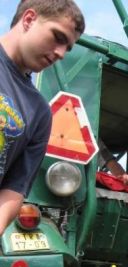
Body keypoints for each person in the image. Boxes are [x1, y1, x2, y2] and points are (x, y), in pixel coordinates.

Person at [0, 0, 85, 236]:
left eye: (67, 48)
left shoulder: (39, 112)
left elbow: (14, 187)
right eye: (58, 37)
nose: (60, 53)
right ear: (28, 19)